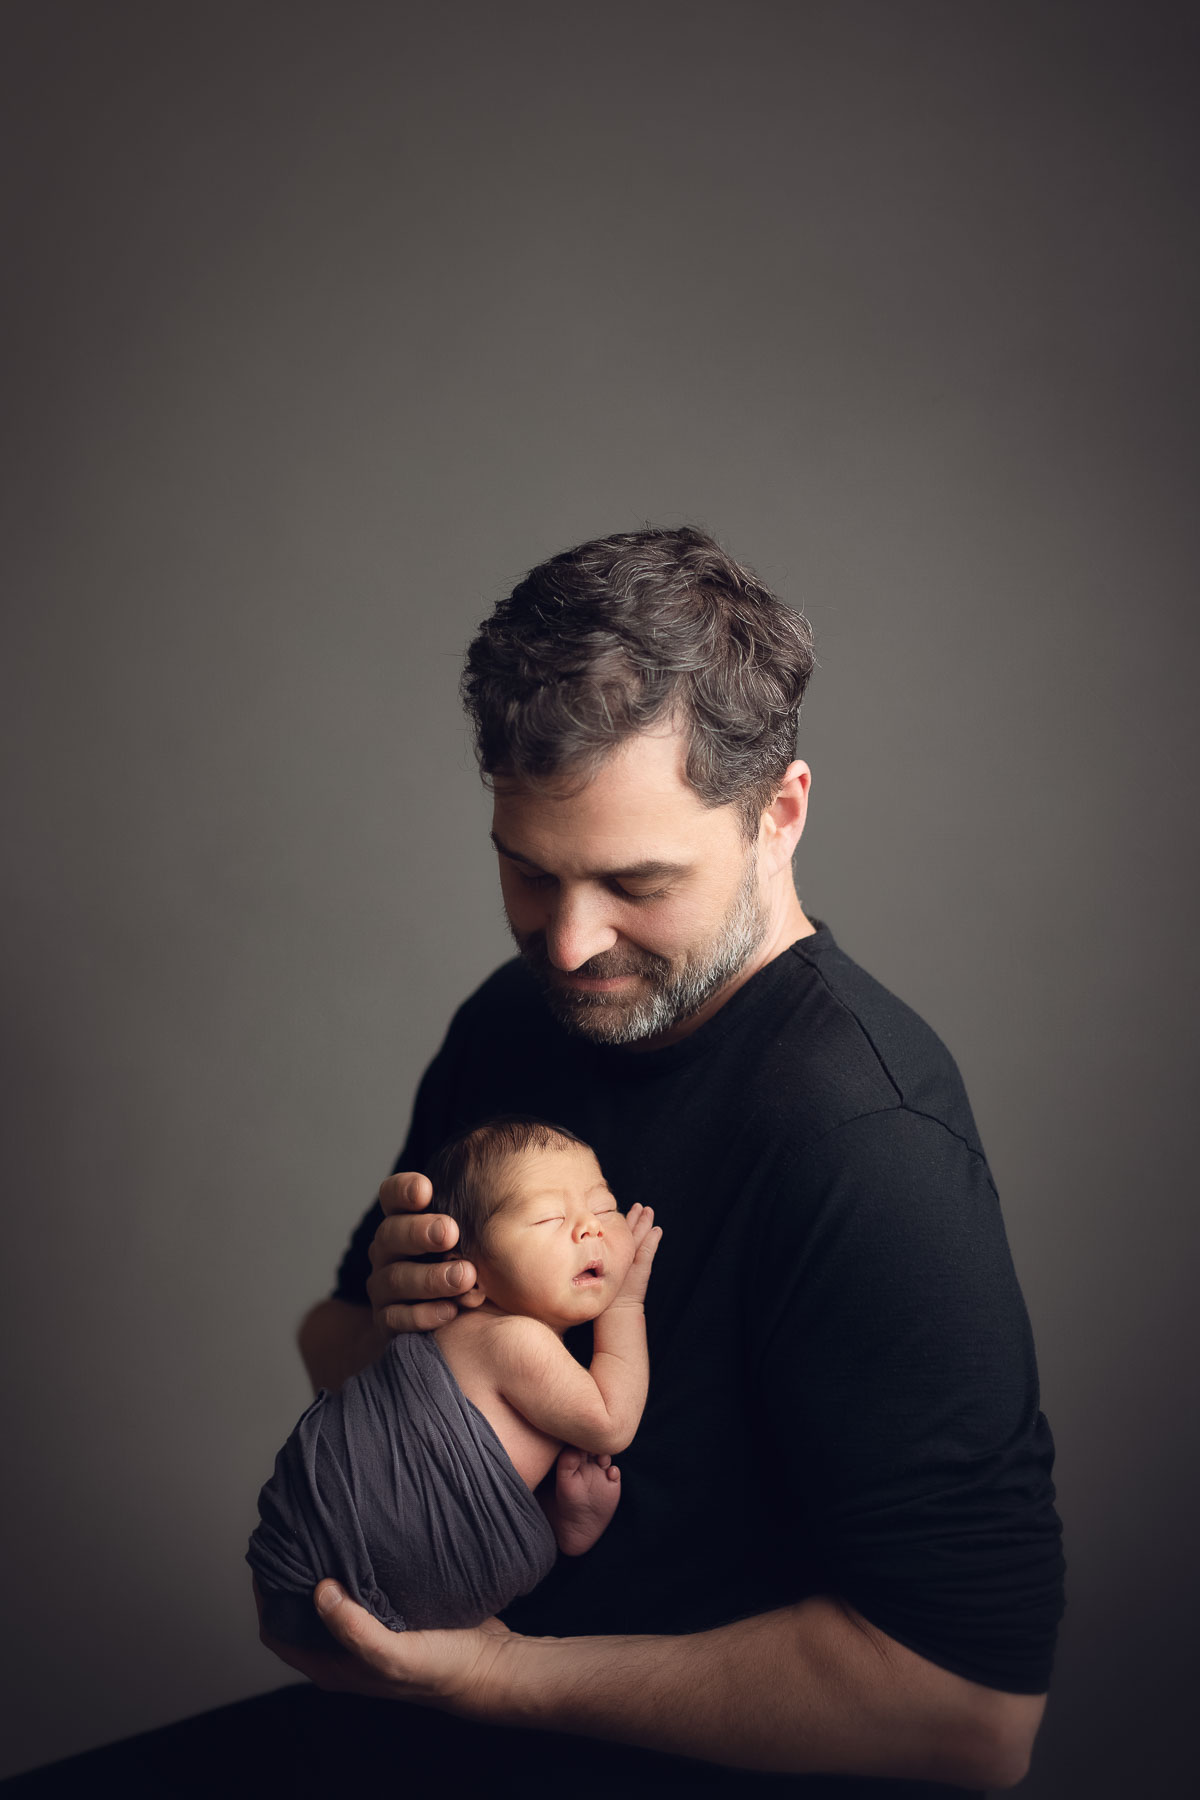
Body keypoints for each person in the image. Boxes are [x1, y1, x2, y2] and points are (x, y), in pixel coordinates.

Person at [260, 526, 1065, 1796]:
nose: (571, 944)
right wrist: (408, 1340)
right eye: (527, 872)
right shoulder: (514, 1015)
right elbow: (330, 1340)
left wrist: (491, 1674)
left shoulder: (870, 1143)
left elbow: (972, 1711)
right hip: (423, 1725)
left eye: (636, 882)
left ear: (779, 815)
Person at [248, 1117, 661, 1646]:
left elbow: (496, 1469)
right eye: (548, 1219)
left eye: (603, 1207)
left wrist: (561, 1513)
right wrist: (626, 1301)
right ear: (470, 1269)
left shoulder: (507, 1344)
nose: (590, 1228)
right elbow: (611, 1423)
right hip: (371, 1536)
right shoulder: (512, 1340)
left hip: (420, 1551)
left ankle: (559, 1529)